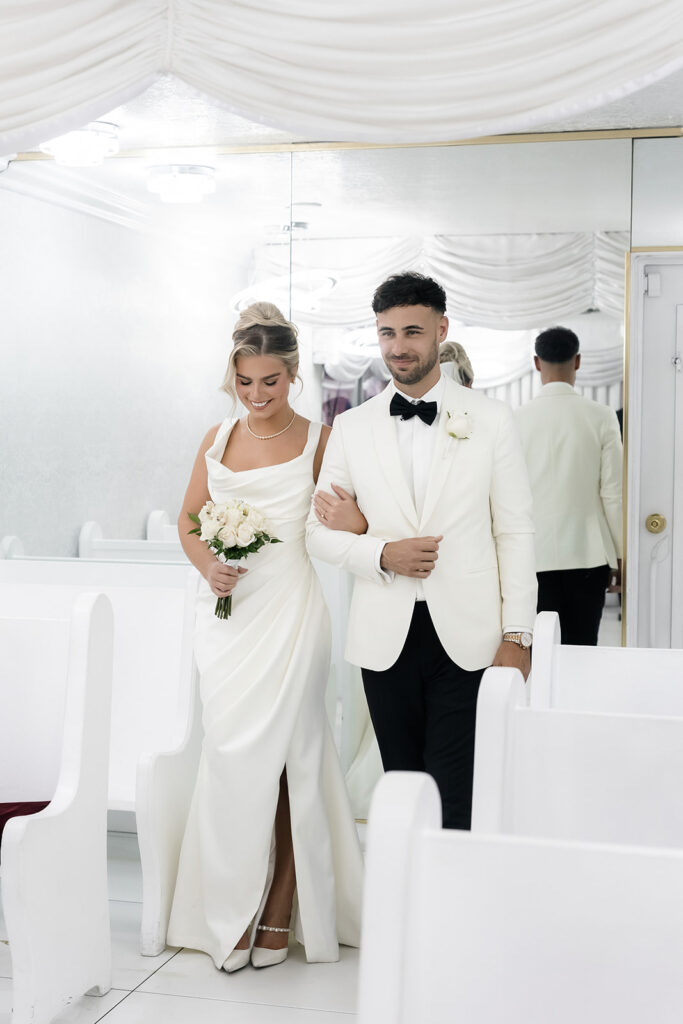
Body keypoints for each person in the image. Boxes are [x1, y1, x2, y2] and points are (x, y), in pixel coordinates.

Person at [167, 302, 363, 973]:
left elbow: (349, 526)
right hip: (228, 618)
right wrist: (208, 565)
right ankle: (232, 903)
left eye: (269, 383)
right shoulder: (214, 438)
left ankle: (279, 903)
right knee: (231, 756)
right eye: (244, 383)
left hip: (292, 612)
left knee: (291, 758)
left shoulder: (321, 441)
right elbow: (190, 521)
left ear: (292, 374)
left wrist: (355, 517)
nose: (255, 396)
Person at [306, 272, 537, 830]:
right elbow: (318, 533)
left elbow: (516, 531)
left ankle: (451, 910)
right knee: (403, 788)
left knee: (455, 791)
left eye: (412, 331)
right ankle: (405, 904)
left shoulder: (491, 419)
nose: (399, 346)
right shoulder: (352, 426)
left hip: (471, 635)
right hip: (385, 637)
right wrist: (383, 554)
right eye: (387, 333)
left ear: (441, 330)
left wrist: (518, 635)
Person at [515, 325, 623, 645]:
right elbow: (613, 493)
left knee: (538, 650)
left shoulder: (515, 419)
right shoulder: (602, 416)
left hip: (532, 555)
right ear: (577, 361)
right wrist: (619, 555)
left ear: (537, 363)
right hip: (588, 555)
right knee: (583, 646)